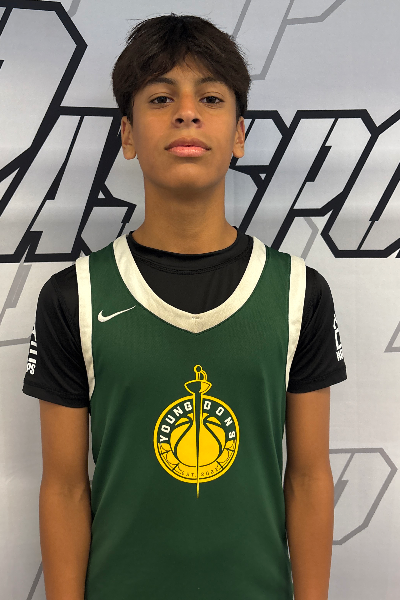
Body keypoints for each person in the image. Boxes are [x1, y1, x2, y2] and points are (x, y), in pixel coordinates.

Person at [23, 13, 347, 600]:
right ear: (126, 135)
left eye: (211, 98)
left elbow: (306, 477)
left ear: (240, 134)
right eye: (161, 97)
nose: (187, 113)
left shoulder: (300, 292)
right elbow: (65, 489)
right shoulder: (74, 296)